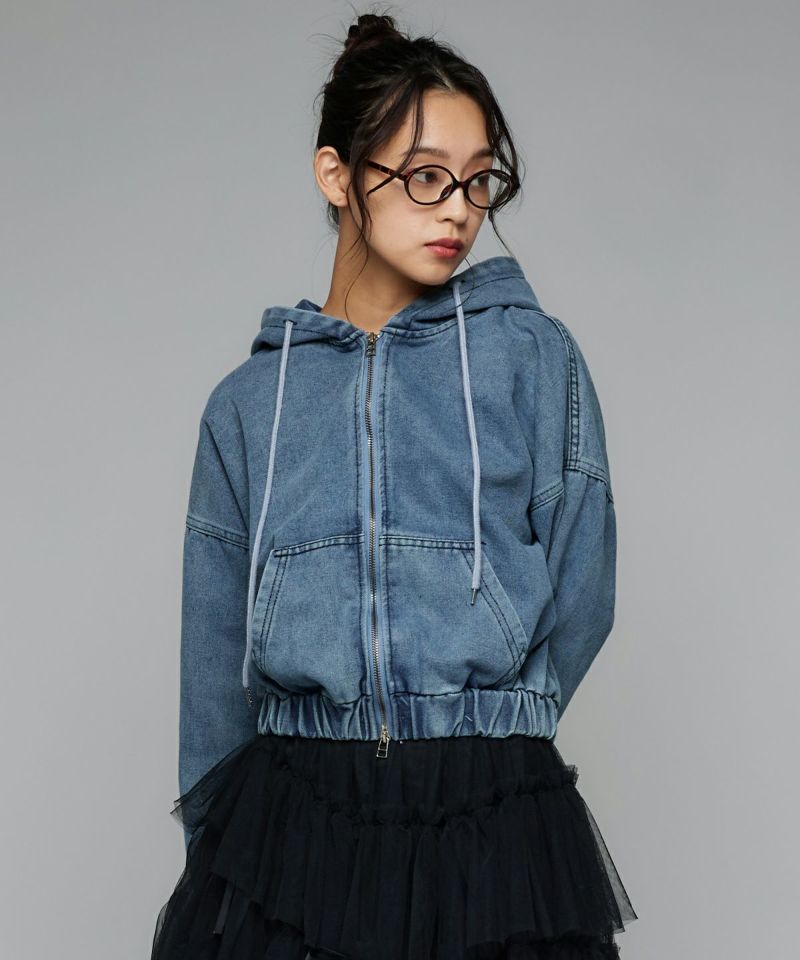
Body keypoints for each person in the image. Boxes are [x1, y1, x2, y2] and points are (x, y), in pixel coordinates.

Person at [150, 10, 638, 960]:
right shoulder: (250, 403)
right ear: (337, 175)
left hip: (491, 820)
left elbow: (584, 584)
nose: (459, 210)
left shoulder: (530, 358)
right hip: (294, 826)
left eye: (478, 178)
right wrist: (221, 850)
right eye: (425, 177)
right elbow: (212, 658)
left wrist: (492, 728)